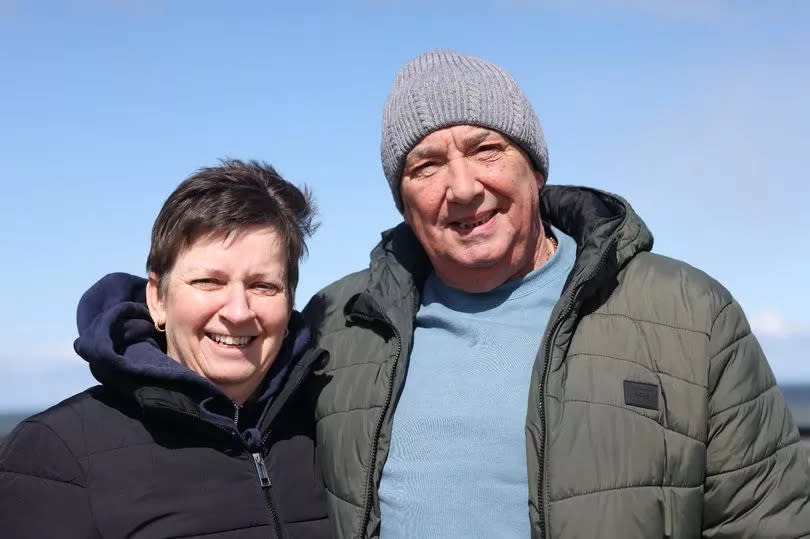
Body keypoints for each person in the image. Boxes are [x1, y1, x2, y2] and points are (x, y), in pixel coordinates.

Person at [302, 50, 810, 538]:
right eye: (426, 166)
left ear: (536, 168)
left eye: (486, 150)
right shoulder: (337, 328)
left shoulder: (693, 315)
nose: (462, 188)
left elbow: (765, 523)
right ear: (402, 199)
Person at [0, 160, 331, 538]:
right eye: (209, 281)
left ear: (289, 302)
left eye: (263, 286)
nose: (238, 311)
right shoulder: (57, 453)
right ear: (157, 298)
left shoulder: (329, 424)